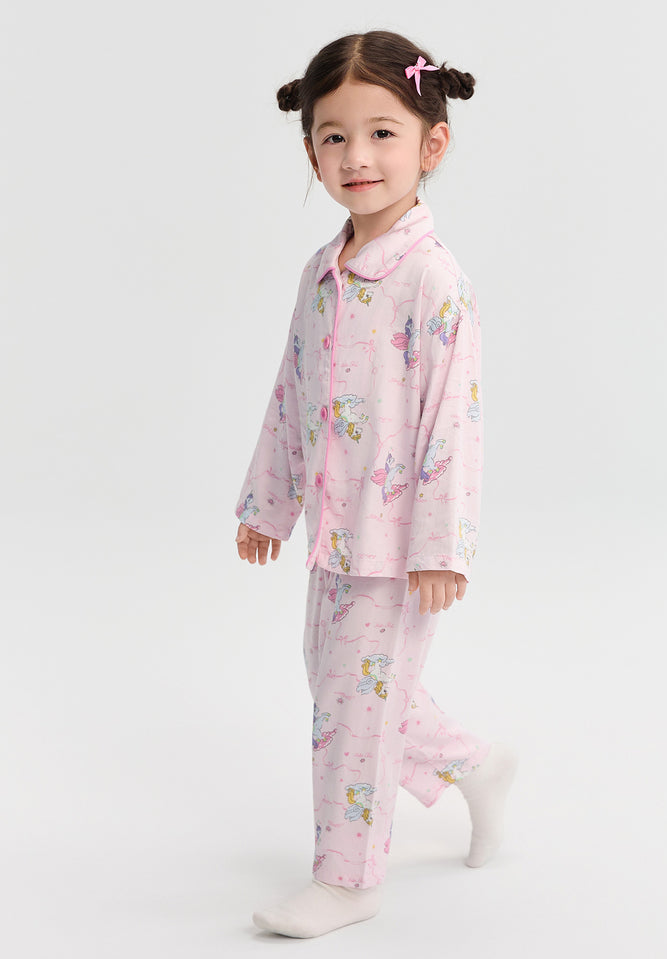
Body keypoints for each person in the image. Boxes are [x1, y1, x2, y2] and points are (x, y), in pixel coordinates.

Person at [234, 30, 518, 939]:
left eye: (382, 133)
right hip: (332, 532)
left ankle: (348, 878)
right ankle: (474, 764)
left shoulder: (434, 280)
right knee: (342, 687)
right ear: (311, 150)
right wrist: (269, 504)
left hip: (397, 546)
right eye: (335, 136)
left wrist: (442, 547)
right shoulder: (321, 274)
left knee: (352, 709)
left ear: (433, 144)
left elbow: (454, 423)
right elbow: (292, 392)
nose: (357, 156)